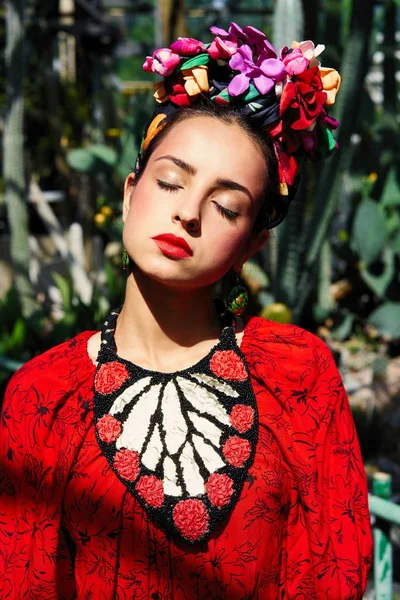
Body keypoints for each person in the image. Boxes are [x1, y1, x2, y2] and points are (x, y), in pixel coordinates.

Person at [0, 22, 372, 600]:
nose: (188, 214)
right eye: (171, 182)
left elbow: (333, 573)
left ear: (251, 244)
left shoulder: (299, 376)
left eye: (226, 206)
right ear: (129, 193)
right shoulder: (42, 397)